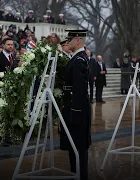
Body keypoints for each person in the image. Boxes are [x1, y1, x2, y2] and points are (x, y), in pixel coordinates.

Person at [59, 29, 91, 180]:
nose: (67, 42)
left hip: (76, 107)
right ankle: (75, 174)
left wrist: (75, 111)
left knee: (79, 144)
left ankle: (80, 175)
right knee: (74, 144)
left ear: (77, 40)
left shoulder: (79, 60)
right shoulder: (77, 58)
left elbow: (80, 89)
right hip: (72, 104)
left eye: (70, 39)